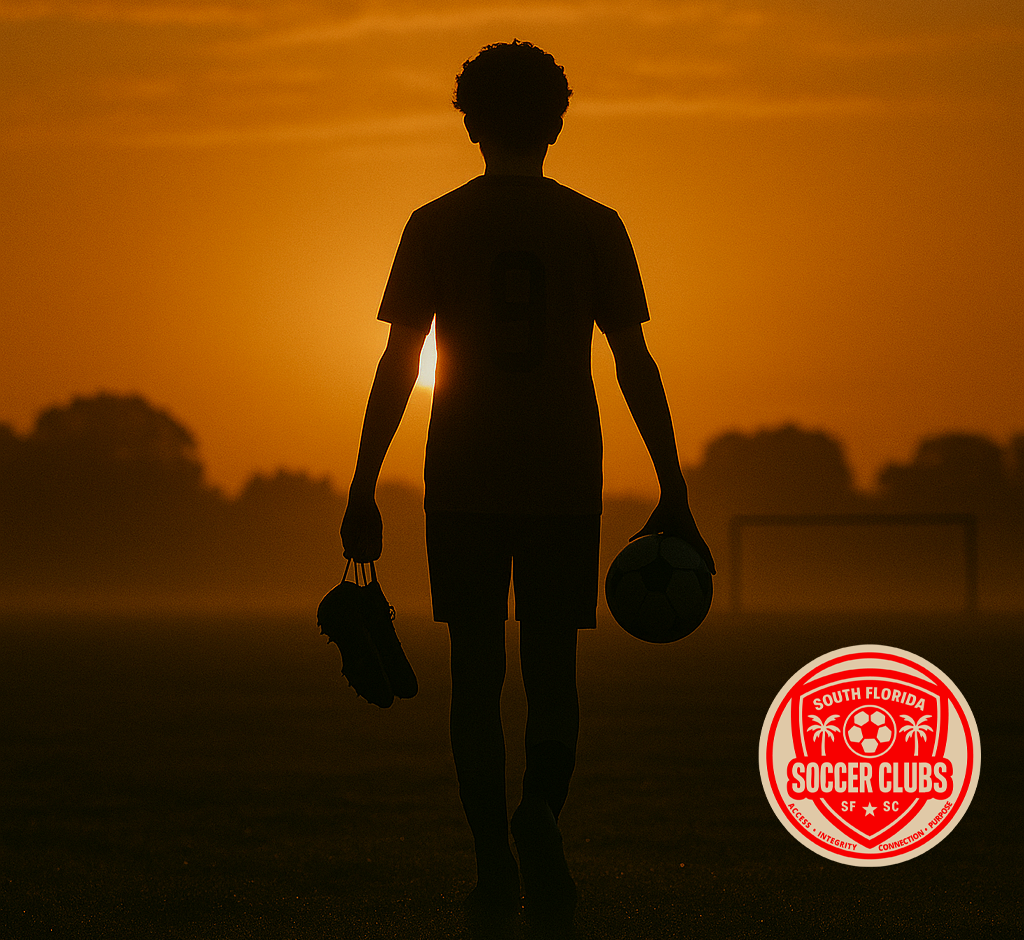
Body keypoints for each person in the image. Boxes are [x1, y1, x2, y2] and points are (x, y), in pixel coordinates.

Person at [341, 40, 714, 929]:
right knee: (553, 668)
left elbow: (401, 362)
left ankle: (491, 868)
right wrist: (673, 482)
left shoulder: (433, 223)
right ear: (556, 123)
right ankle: (541, 812)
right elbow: (634, 361)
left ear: (469, 121)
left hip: (463, 472)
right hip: (562, 471)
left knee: (476, 675)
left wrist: (362, 484)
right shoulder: (595, 223)